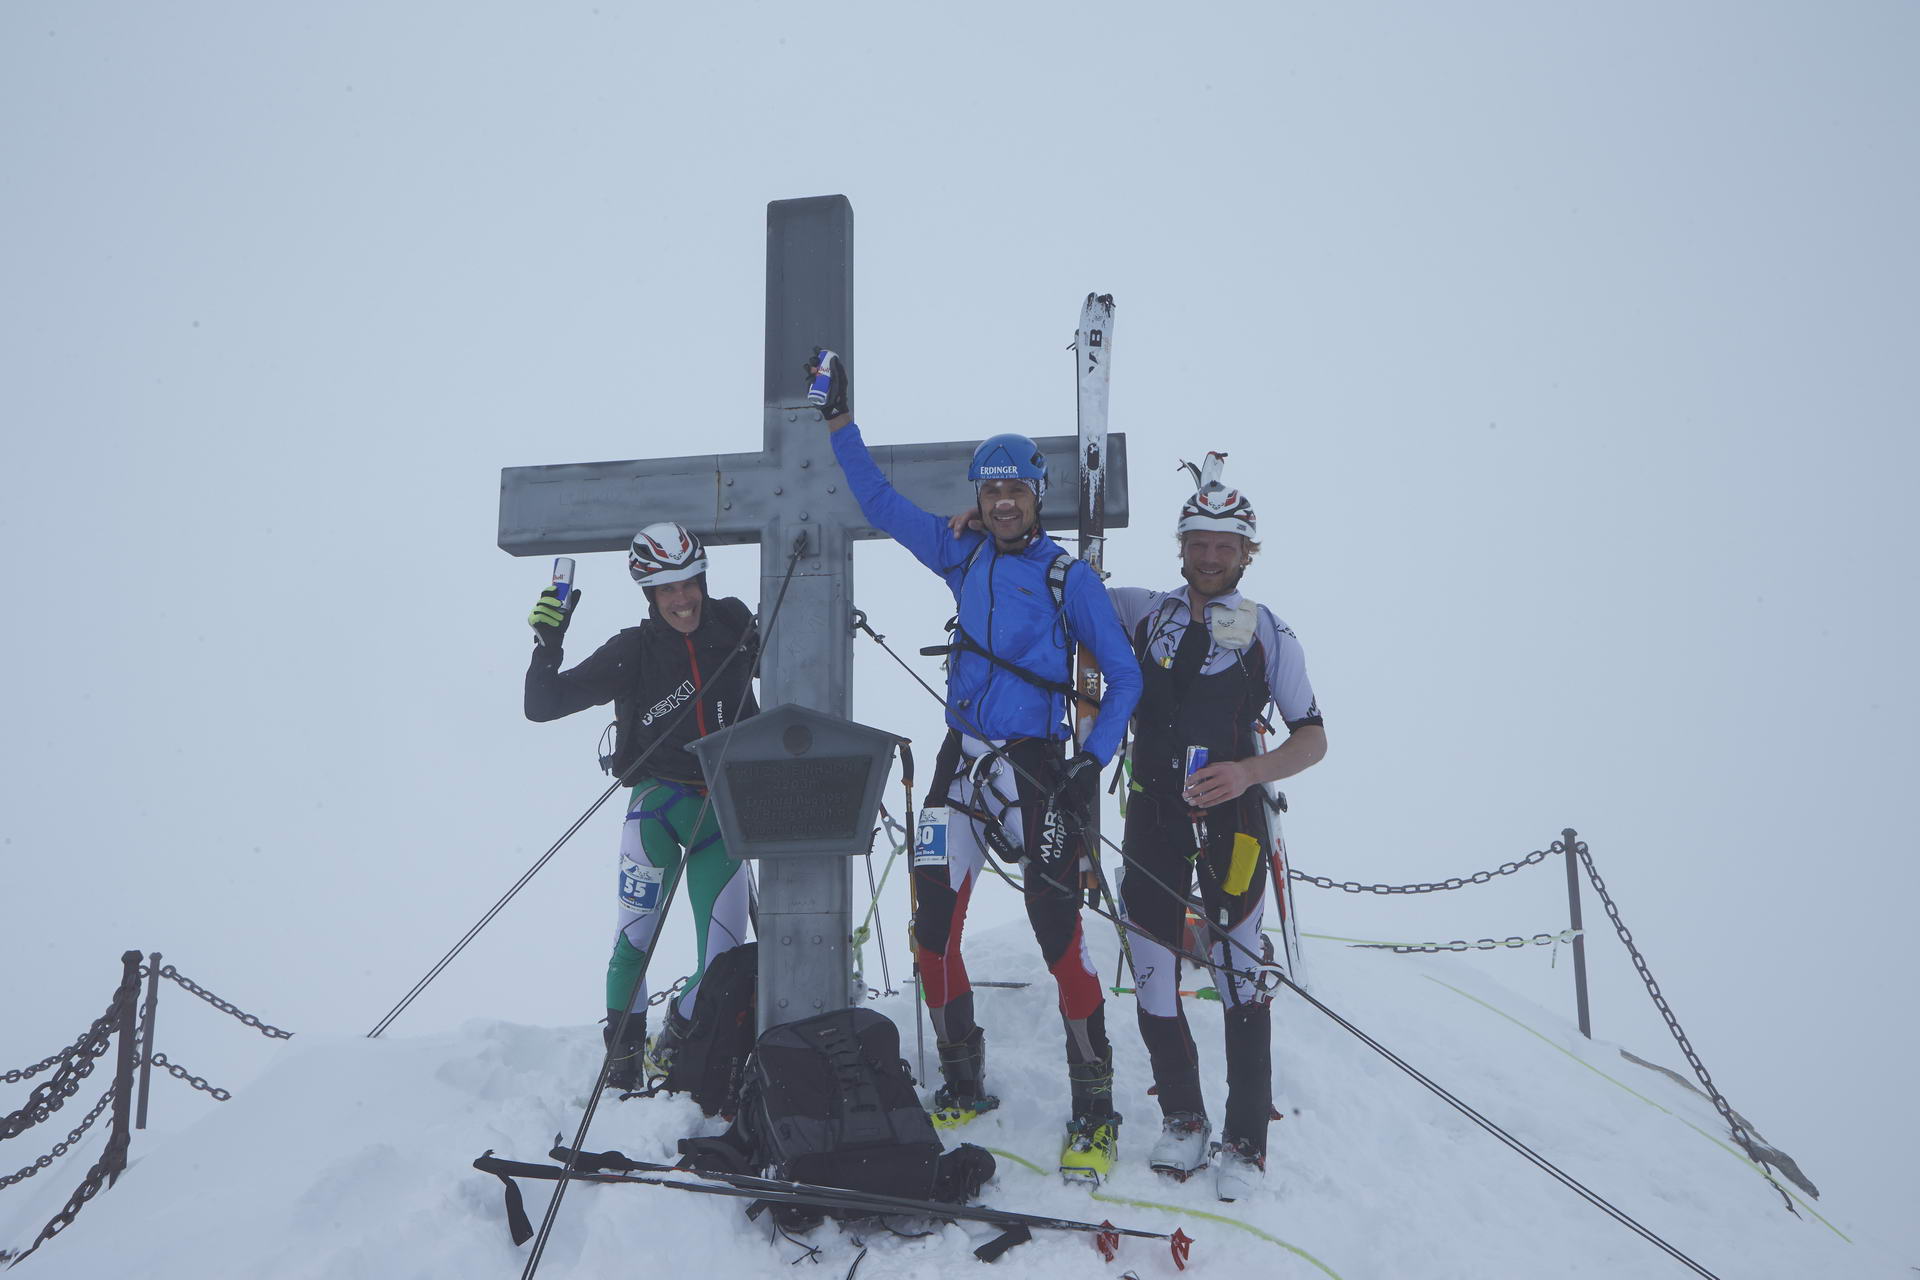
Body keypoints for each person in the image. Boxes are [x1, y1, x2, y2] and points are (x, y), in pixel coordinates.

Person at [811, 350, 1144, 1185]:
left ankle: (1095, 1104)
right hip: (961, 763)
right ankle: (961, 1078)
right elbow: (881, 503)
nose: (1002, 502)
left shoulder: (1069, 577)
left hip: (1040, 769)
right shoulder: (960, 552)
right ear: (979, 496)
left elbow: (1126, 674)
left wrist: (1091, 760)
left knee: (1060, 936)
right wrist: (841, 426)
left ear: (1037, 495)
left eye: (1016, 490)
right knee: (932, 932)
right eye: (990, 490)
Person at [1109, 453, 1326, 1202]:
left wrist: (1248, 773)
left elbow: (1313, 736)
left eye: (1224, 546)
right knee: (1151, 968)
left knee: (1238, 974)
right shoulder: (1141, 610)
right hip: (1151, 814)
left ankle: (1245, 1138)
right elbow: (1061, 598)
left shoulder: (1269, 631)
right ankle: (1182, 1116)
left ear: (1245, 552)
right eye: (1198, 542)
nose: (1209, 556)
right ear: (1182, 544)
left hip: (1234, 819)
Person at [523, 521, 759, 1092]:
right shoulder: (632, 650)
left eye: (687, 583)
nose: (681, 599)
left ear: (701, 578)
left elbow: (803, 636)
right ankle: (622, 1066)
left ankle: (677, 1033)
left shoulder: (734, 623)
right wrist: (547, 642)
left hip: (722, 817)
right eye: (665, 589)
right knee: (633, 944)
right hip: (657, 808)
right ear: (649, 595)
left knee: (724, 962)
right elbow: (541, 704)